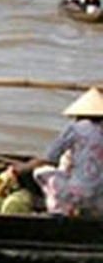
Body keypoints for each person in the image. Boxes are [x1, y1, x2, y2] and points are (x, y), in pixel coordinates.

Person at [16, 88, 103, 219]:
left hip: (81, 192)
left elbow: (48, 158)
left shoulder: (75, 129)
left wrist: (23, 167)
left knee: (40, 173)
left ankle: (58, 210)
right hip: (99, 195)